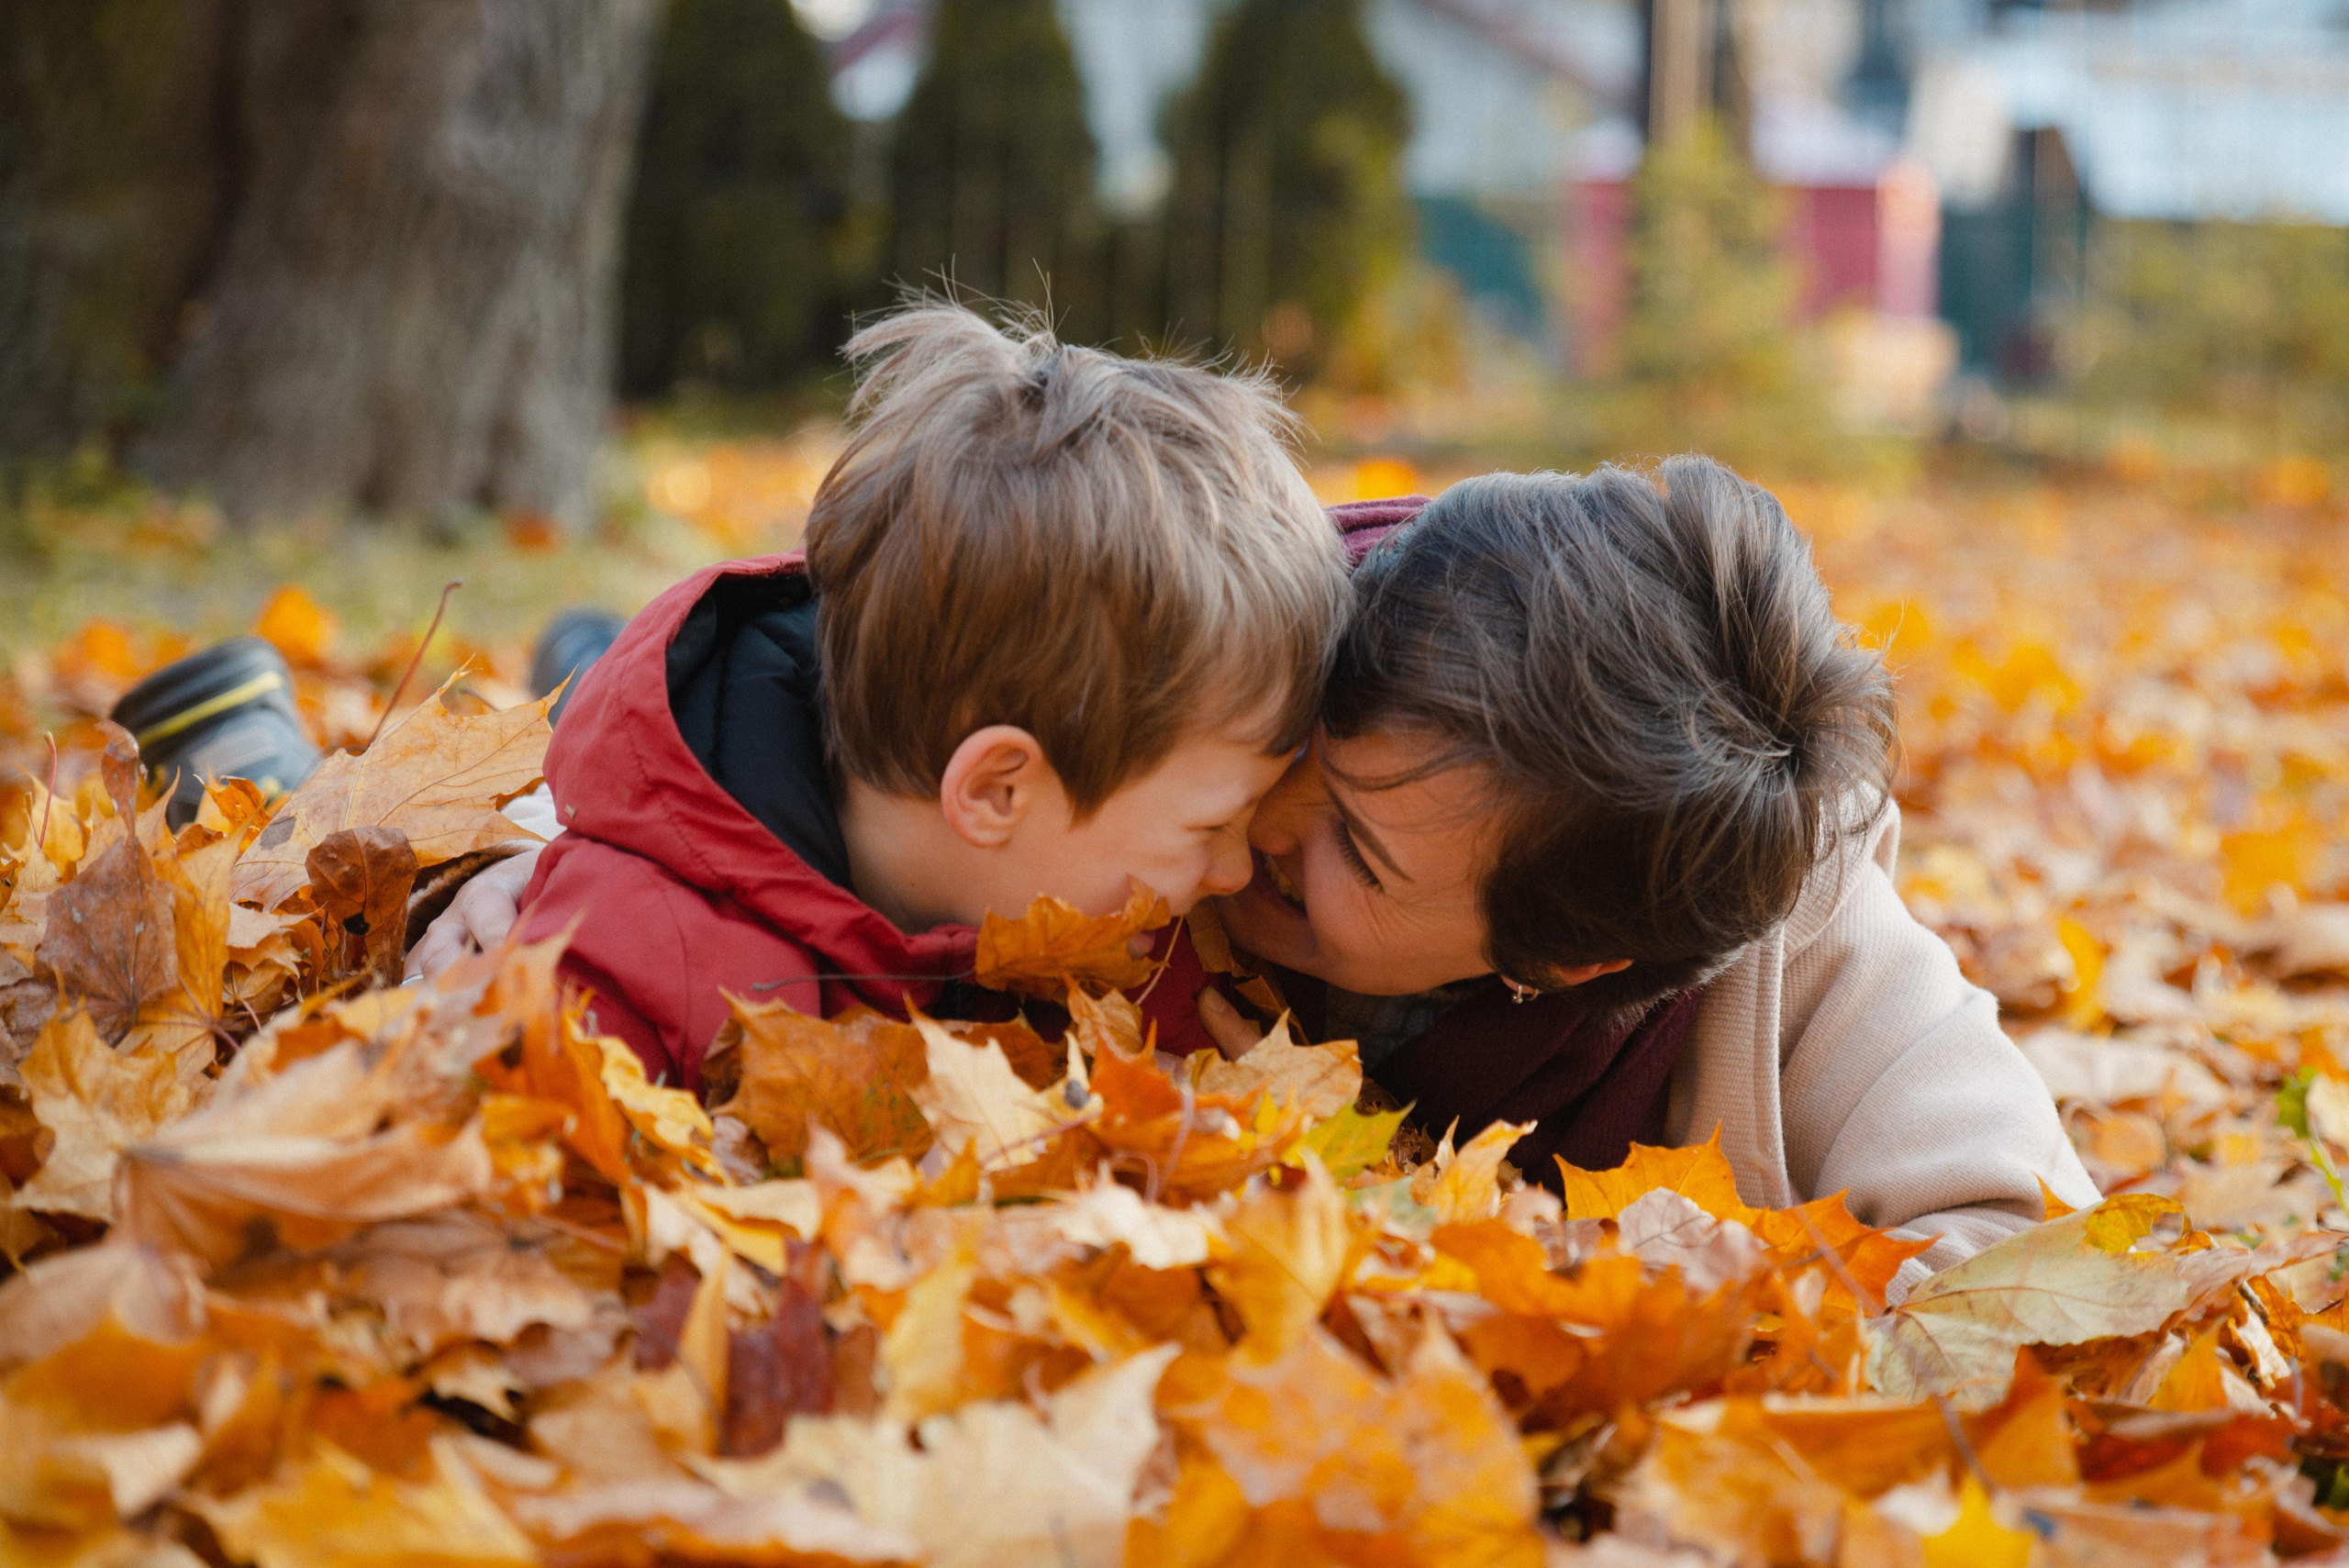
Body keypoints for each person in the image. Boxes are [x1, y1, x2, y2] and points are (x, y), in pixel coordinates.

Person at [420, 460, 2093, 1290]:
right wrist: (520, 853)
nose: (1266, 828)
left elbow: (2042, 1272)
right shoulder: (1245, 644)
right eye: (1309, 748)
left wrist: (1639, 1309)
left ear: (1557, 967)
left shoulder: (1779, 953)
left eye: (1357, 850)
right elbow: (834, 690)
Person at [466, 303, 1349, 1090]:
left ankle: (581, 645)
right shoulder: (664, 966)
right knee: (584, 682)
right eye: (1212, 827)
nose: (1241, 869)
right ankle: (579, 650)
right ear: (998, 789)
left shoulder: (1106, 893)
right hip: (686, 748)